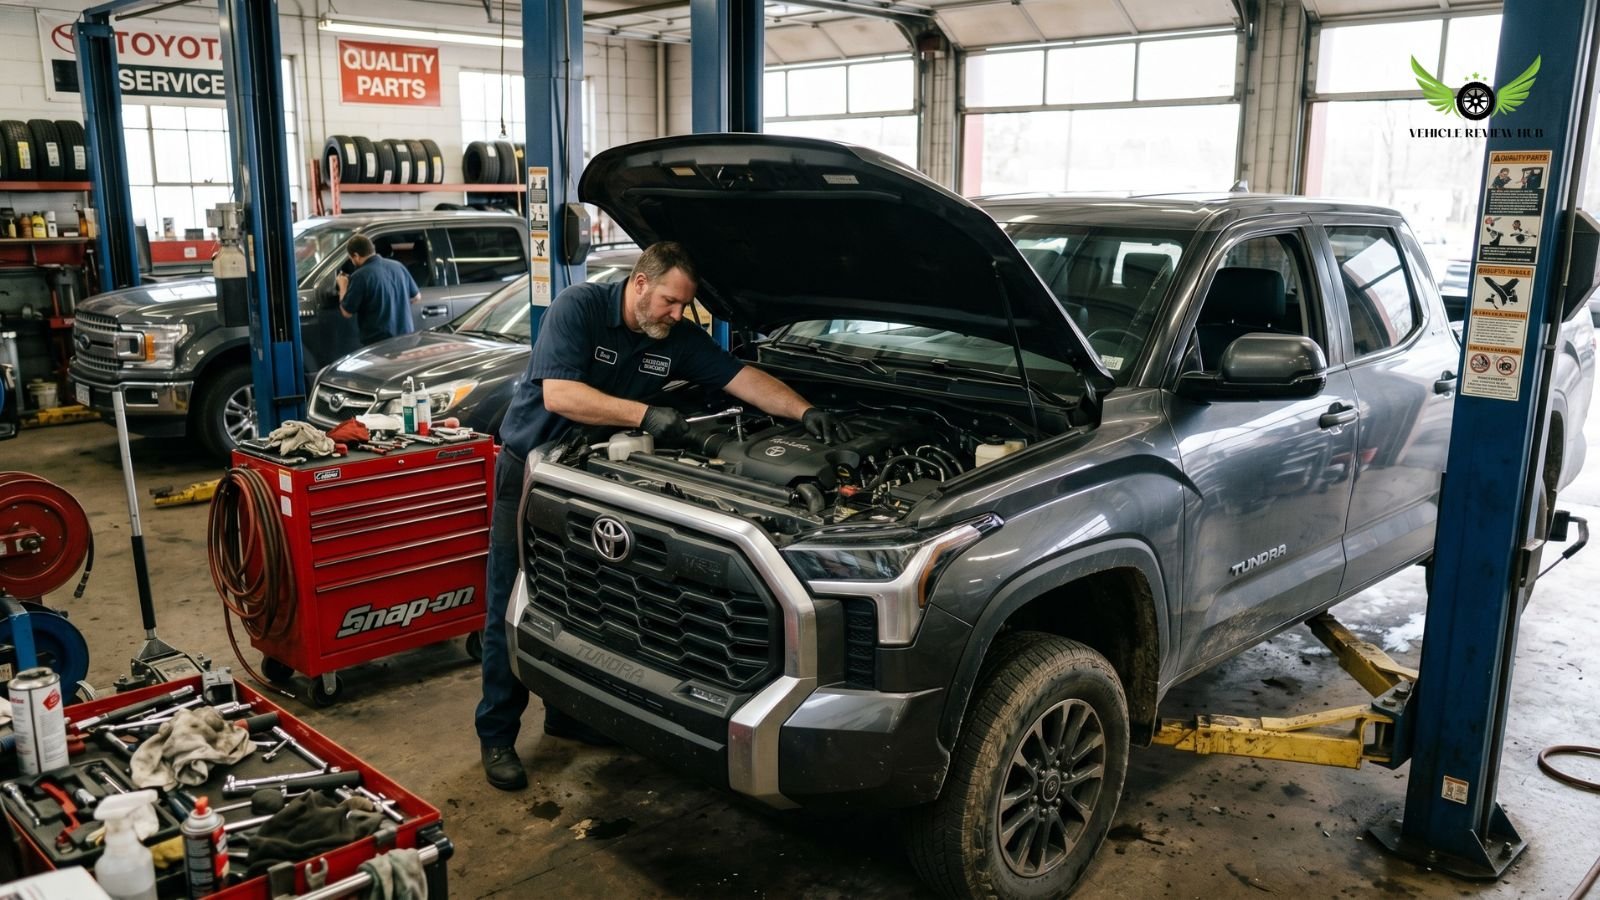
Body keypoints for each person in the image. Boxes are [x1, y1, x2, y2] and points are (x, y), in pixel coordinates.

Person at [476, 241, 849, 791]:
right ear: (640, 283)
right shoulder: (577, 308)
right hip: (533, 474)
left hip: (604, 483)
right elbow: (560, 396)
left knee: (588, 604)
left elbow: (738, 377)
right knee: (512, 597)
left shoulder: (673, 338)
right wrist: (647, 414)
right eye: (672, 302)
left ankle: (567, 713)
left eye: (684, 307)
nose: (678, 315)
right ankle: (497, 734)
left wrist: (805, 410)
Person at [337, 234, 418, 346]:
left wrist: (343, 286)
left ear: (356, 255)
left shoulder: (360, 276)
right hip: (406, 337)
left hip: (379, 343)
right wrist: (396, 304)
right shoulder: (398, 266)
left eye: (351, 258)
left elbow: (347, 312)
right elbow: (416, 297)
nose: (352, 261)